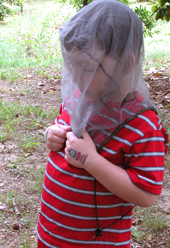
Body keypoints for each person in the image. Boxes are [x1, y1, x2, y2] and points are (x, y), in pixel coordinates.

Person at [37, 0, 169, 247]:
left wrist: (91, 161)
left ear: (127, 64)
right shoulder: (78, 97)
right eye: (71, 66)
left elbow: (147, 194)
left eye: (87, 68)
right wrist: (52, 133)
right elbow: (61, 130)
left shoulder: (143, 125)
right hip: (52, 234)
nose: (76, 78)